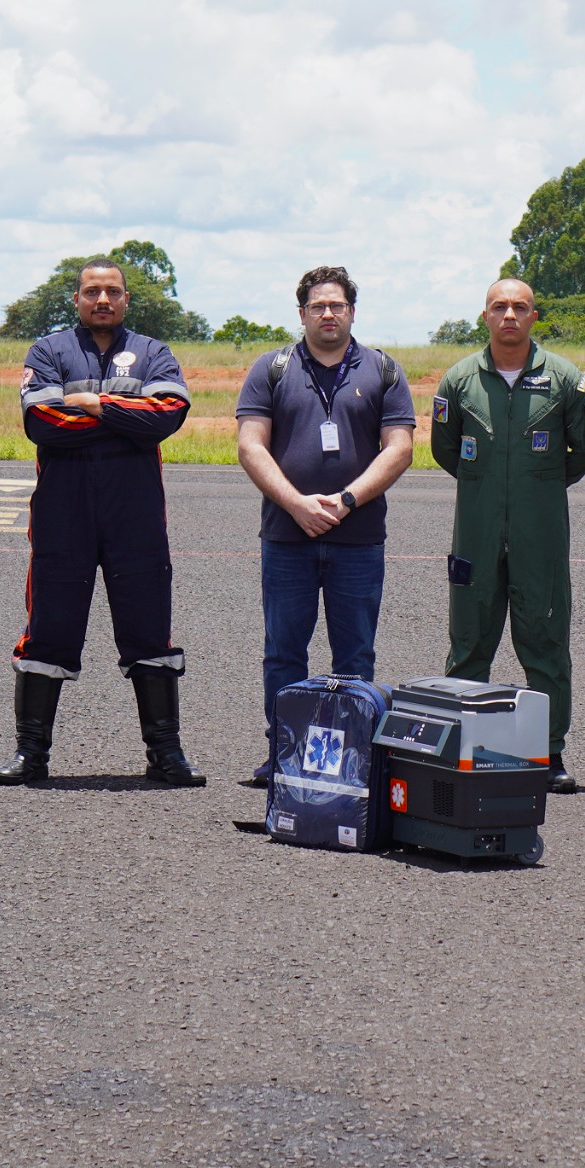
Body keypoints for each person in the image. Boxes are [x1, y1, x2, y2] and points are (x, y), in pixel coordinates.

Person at [9, 257, 202, 786]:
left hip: (134, 513)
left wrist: (94, 404)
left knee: (148, 629)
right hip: (62, 512)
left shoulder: (154, 352)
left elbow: (167, 417)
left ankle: (166, 754)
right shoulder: (48, 351)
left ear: (125, 300)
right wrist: (127, 418)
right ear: (76, 299)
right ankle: (32, 754)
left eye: (112, 292)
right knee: (49, 627)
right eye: (91, 291)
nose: (102, 300)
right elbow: (41, 423)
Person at [234, 266, 415, 788]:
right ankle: (285, 756)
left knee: (354, 656)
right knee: (283, 653)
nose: (328, 314)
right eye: (318, 307)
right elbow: (251, 446)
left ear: (352, 312)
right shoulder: (271, 368)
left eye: (337, 306)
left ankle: (348, 758)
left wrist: (346, 500)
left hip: (358, 539)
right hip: (288, 538)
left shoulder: (382, 370)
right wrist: (296, 504)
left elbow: (400, 448)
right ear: (302, 314)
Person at [430, 278, 585, 792]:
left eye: (520, 307)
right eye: (499, 307)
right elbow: (446, 450)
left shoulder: (565, 380)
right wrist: (488, 486)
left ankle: (549, 752)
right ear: (484, 316)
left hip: (540, 536)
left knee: (546, 642)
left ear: (534, 317)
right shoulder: (459, 380)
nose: (509, 315)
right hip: (476, 533)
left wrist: (542, 483)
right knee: (468, 642)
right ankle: (463, 745)